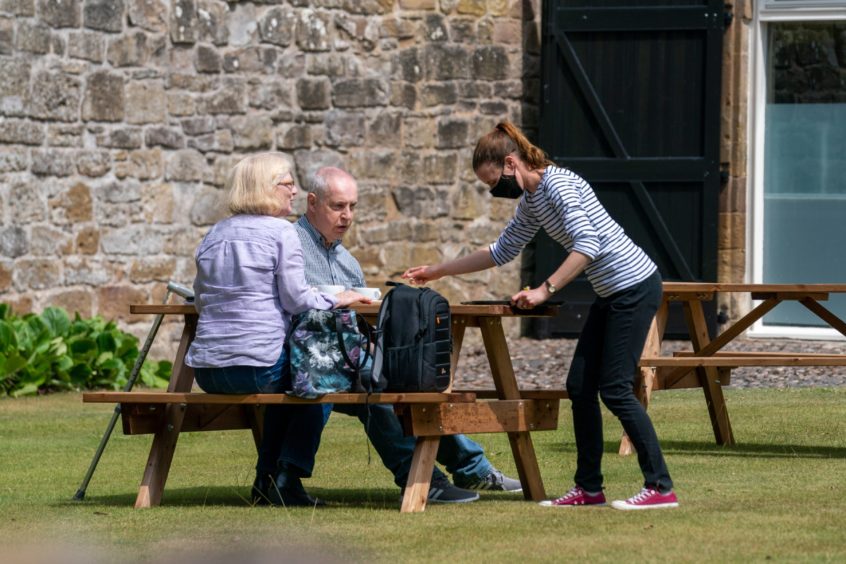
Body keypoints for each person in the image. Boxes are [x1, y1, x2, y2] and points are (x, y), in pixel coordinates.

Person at [402, 122, 679, 511]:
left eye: (493, 180)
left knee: (615, 388)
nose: (493, 190)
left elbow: (588, 245)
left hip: (634, 288)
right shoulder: (533, 200)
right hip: (612, 294)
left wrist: (544, 289)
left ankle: (660, 487)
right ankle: (589, 489)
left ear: (512, 163)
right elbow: (501, 250)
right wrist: (439, 271)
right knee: (581, 387)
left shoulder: (559, 186)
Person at [293, 166, 523, 503]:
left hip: (348, 356)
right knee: (378, 384)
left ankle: (470, 467)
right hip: (308, 361)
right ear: (312, 203)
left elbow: (361, 321)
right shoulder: (290, 246)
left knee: (411, 379)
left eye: (353, 207)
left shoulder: (347, 261)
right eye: (338, 206)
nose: (347, 216)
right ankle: (426, 480)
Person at [185, 152, 369, 507]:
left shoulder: (213, 234)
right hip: (257, 368)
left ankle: (267, 480)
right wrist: (340, 298)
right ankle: (287, 477)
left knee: (297, 378)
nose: (295, 191)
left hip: (207, 371)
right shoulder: (282, 233)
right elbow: (298, 300)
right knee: (322, 370)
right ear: (265, 189)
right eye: (287, 183)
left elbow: (200, 301)